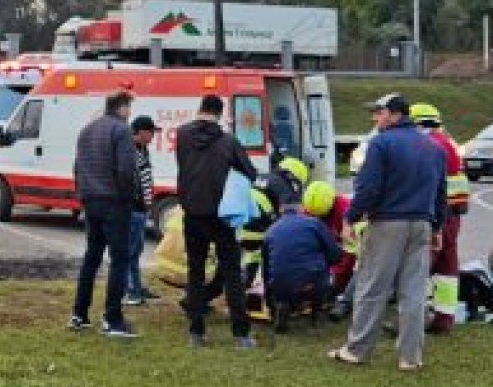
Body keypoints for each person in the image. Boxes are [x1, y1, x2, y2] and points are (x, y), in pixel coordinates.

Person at [330, 93, 446, 372]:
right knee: (414, 292)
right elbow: (440, 192)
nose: (375, 118)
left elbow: (368, 188)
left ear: (395, 115)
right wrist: (438, 226)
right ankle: (410, 357)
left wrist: (350, 217)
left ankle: (357, 350)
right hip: (421, 223)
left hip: (387, 223)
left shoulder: (381, 144)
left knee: (372, 287)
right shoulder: (434, 148)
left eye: (379, 113)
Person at [175, 94, 259, 350]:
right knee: (231, 273)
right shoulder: (228, 141)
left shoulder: (182, 135)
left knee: (196, 272)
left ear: (200, 109)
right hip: (222, 215)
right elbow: (250, 173)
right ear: (220, 113)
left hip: (193, 213)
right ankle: (241, 334)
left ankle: (196, 332)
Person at [70, 89, 140, 338]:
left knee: (92, 256)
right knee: (119, 259)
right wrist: (128, 197)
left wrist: (82, 194)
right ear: (121, 107)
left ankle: (79, 313)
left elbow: (77, 167)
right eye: (128, 107)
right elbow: (126, 169)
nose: (129, 113)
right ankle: (112, 319)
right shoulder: (121, 130)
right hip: (114, 201)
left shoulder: (86, 130)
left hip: (91, 201)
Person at [411, 102, 471, 283]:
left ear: (417, 124)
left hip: (435, 214)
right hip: (454, 214)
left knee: (422, 266)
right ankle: (445, 311)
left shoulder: (426, 145)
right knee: (447, 264)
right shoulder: (449, 142)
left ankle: (418, 306)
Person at [260, 197, 343, 317]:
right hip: (313, 283)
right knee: (319, 272)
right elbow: (335, 254)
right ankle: (317, 305)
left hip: (281, 286)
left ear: (280, 210)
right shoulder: (314, 223)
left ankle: (284, 303)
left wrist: (269, 299)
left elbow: (265, 269)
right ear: (302, 208)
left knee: (285, 280)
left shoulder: (270, 230)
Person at [120, 115, 161, 306]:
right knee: (129, 250)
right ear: (142, 132)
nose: (153, 135)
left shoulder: (143, 149)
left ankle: (135, 286)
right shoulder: (129, 150)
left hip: (141, 208)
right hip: (132, 208)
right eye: (151, 131)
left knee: (136, 250)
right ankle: (130, 290)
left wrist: (148, 204)